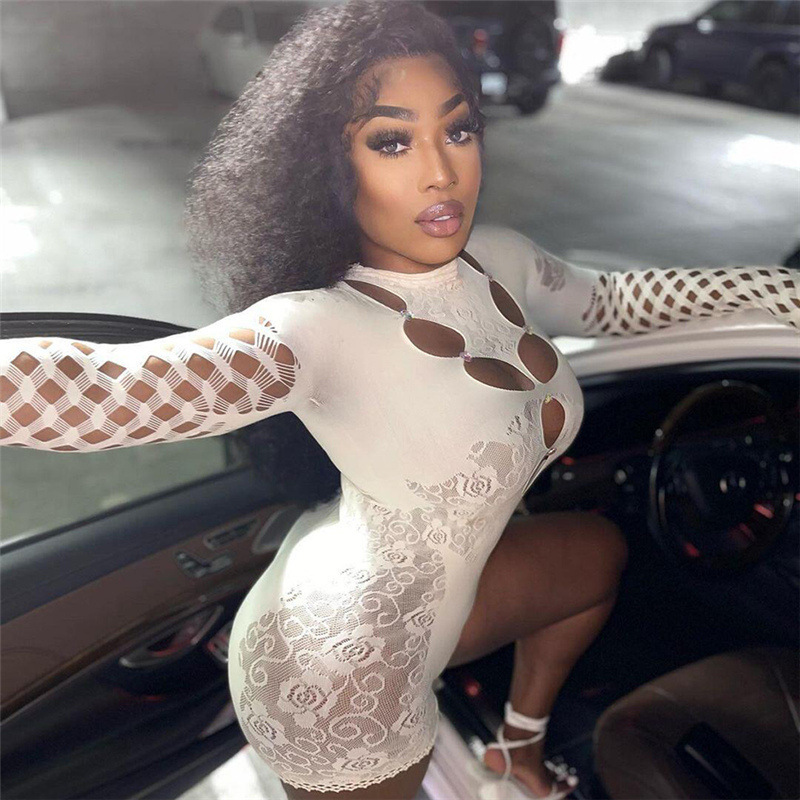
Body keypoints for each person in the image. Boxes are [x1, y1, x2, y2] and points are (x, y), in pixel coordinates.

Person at [1, 2, 798, 799]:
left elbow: (614, 302)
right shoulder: (313, 328)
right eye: (391, 141)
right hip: (340, 674)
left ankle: (516, 752)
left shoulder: (499, 259)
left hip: (439, 597)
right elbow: (98, 389)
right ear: (329, 166)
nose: (441, 172)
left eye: (458, 129)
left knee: (594, 558)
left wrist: (776, 290)